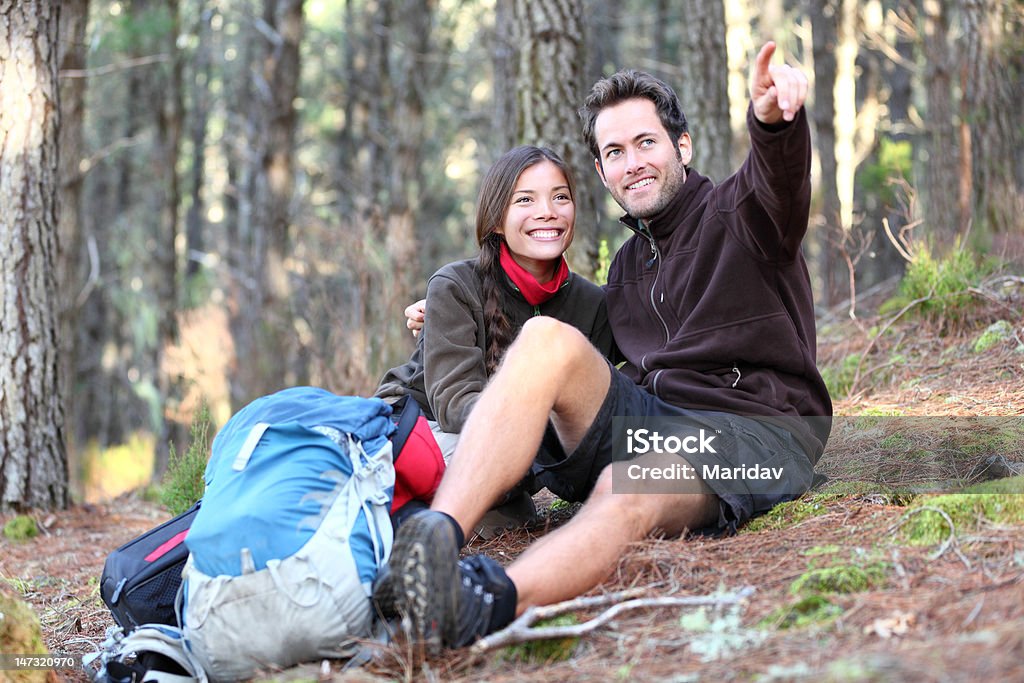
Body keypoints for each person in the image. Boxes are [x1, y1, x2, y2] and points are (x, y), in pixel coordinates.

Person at [374, 41, 833, 652]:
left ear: (683, 147)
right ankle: (434, 542)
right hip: (659, 422)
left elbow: (776, 182)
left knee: (631, 484)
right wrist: (454, 319)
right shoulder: (626, 269)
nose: (633, 163)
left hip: (757, 433)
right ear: (601, 172)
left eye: (647, 143)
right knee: (543, 341)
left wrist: (772, 124)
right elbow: (563, 345)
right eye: (615, 152)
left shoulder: (740, 217)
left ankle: (484, 603)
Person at [374, 145, 616, 533]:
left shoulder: (591, 304)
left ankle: (476, 504)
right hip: (424, 426)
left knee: (512, 500)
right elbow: (454, 406)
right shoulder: (456, 285)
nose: (547, 211)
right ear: (497, 220)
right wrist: (532, 434)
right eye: (525, 200)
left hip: (510, 447)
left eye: (560, 197)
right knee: (474, 465)